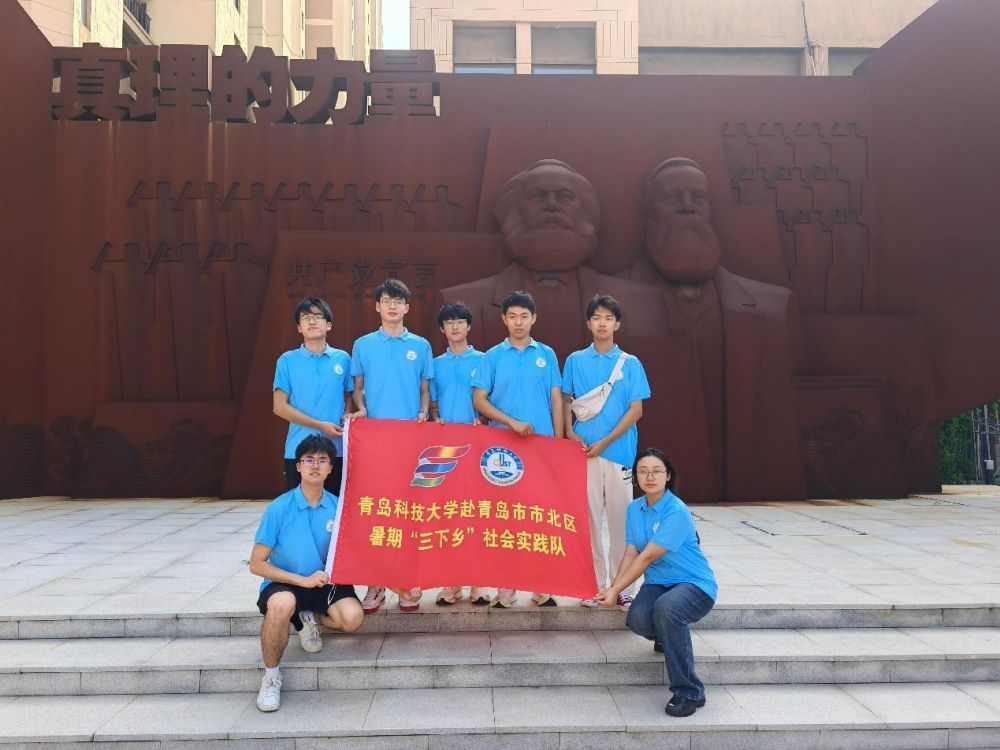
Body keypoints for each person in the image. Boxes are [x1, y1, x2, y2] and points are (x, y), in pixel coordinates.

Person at [622, 157, 805, 501]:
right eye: (672, 198)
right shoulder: (610, 305)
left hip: (747, 487)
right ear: (649, 215)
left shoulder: (773, 306)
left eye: (698, 198)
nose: (687, 208)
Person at [439, 159, 668, 361]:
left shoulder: (643, 302)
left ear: (586, 211)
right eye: (538, 196)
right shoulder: (460, 303)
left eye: (564, 196)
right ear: (514, 212)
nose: (551, 204)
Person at [597, 448, 717, 718]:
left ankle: (689, 691)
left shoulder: (676, 510)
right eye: (643, 471)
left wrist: (616, 590)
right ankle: (667, 636)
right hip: (659, 582)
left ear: (668, 475)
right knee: (637, 619)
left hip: (693, 584)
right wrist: (615, 588)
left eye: (657, 471)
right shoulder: (634, 509)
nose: (650, 477)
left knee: (668, 609)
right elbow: (631, 552)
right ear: (636, 477)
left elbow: (648, 556)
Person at [249, 434, 364, 712]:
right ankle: (272, 678)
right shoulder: (279, 508)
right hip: (287, 582)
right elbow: (257, 564)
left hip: (326, 583)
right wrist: (301, 580)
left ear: (331, 468)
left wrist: (399, 587)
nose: (315, 465)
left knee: (352, 619)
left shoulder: (339, 507)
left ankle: (307, 618)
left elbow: (361, 554)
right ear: (297, 466)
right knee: (281, 604)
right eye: (309, 460)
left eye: (322, 460)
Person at [472, 290, 563, 608]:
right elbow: (479, 400)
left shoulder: (547, 354)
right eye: (512, 316)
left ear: (534, 318)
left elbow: (556, 399)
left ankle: (541, 585)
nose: (518, 322)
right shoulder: (492, 356)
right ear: (504, 320)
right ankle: (506, 587)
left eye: (524, 316)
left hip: (542, 447)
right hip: (502, 452)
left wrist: (560, 442)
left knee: (539, 518)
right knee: (505, 520)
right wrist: (510, 422)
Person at [351, 278, 434, 613]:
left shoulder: (422, 345)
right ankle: (376, 584)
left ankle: (408, 581)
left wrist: (425, 412)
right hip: (375, 442)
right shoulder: (363, 345)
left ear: (407, 307)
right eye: (386, 300)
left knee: (410, 512)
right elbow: (357, 388)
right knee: (378, 510)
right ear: (377, 306)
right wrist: (362, 408)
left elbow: (426, 390)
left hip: (411, 442)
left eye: (398, 301)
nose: (392, 306)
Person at [562, 294, 651, 609]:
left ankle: (621, 586)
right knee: (586, 523)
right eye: (596, 318)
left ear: (617, 324)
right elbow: (565, 399)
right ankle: (591, 584)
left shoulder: (630, 363)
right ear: (588, 323)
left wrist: (607, 441)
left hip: (620, 454)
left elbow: (636, 410)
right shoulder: (574, 360)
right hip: (583, 454)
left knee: (620, 522)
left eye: (608, 318)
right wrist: (570, 432)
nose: (602, 323)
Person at [429, 301, 491, 606]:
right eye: (449, 322)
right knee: (448, 515)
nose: (455, 327)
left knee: (478, 515)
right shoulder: (435, 364)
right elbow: (432, 403)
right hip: (445, 452)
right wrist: (435, 416)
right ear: (442, 329)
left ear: (469, 326)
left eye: (460, 321)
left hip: (479, 449)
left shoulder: (485, 359)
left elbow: (492, 400)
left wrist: (485, 421)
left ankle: (479, 582)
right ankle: (450, 583)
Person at [272, 297, 354, 493]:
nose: (311, 321)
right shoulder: (287, 360)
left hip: (337, 450)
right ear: (299, 327)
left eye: (317, 316)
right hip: (299, 450)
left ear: (329, 325)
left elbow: (349, 397)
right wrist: (319, 426)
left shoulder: (342, 359)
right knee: (300, 509)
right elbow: (279, 407)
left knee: (335, 512)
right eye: (305, 317)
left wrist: (348, 414)